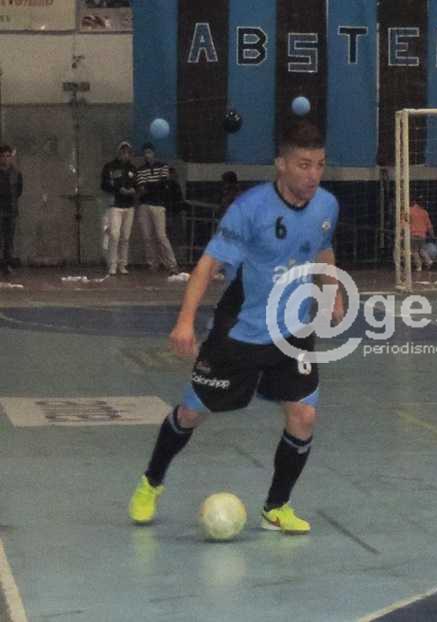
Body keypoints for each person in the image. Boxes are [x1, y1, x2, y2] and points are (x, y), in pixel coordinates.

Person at [127, 121, 343, 535]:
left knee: (303, 416)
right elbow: (208, 265)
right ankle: (151, 481)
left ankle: (276, 507)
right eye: (304, 165)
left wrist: (332, 292)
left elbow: (323, 248)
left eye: (319, 164)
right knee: (192, 413)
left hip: (293, 330)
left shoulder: (327, 206)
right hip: (241, 330)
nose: (313, 174)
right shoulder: (249, 209)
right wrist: (185, 322)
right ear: (281, 164)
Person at [136, 142, 180, 275]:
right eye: (145, 153)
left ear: (153, 153)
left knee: (161, 236)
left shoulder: (163, 166)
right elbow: (141, 188)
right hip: (145, 205)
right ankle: (152, 264)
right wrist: (155, 185)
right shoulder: (140, 169)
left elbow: (164, 184)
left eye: (149, 152)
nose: (147, 155)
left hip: (159, 204)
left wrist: (150, 186)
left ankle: (172, 264)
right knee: (147, 237)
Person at [100, 140, 137, 275]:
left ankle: (123, 264)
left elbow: (137, 184)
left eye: (127, 152)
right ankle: (112, 264)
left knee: (125, 237)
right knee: (114, 235)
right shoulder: (109, 167)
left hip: (129, 206)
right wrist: (118, 189)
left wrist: (133, 190)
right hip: (115, 205)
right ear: (118, 152)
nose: (125, 154)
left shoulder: (132, 168)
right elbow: (104, 185)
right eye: (123, 151)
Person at [0, 145, 23, 275]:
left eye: (8, 156)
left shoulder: (16, 173)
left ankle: (7, 264)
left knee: (9, 239)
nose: (5, 159)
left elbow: (19, 190)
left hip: (11, 210)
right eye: (3, 156)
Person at [409, 197, 435, 271]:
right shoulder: (425, 212)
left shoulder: (410, 211)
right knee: (422, 250)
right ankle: (429, 261)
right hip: (422, 235)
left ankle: (419, 266)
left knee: (414, 250)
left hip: (413, 234)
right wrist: (432, 234)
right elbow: (429, 225)